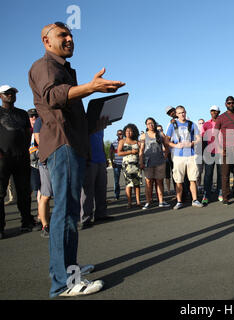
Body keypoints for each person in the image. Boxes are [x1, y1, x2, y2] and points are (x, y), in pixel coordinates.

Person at [28, 22, 125, 297]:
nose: (70, 39)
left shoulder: (64, 70)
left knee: (69, 211)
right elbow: (53, 96)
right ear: (46, 41)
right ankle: (63, 283)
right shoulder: (45, 65)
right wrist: (90, 87)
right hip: (62, 145)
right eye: (63, 35)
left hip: (73, 142)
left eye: (71, 35)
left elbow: (67, 111)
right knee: (66, 213)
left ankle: (69, 270)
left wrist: (94, 123)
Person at [0, 85, 37, 240]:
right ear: (1, 96)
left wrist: (24, 150)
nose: (10, 95)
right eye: (7, 93)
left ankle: (27, 222)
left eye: (13, 93)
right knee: (0, 193)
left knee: (24, 192)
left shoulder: (22, 114)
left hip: (21, 157)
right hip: (3, 158)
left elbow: (29, 132)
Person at [165, 106, 203, 209]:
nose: (182, 114)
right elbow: (166, 140)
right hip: (178, 156)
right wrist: (175, 145)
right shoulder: (172, 125)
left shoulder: (192, 124)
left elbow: (199, 138)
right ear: (176, 114)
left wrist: (192, 143)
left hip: (191, 155)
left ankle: (195, 200)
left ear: (185, 112)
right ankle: (179, 201)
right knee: (178, 180)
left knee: (193, 179)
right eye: (180, 113)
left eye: (183, 112)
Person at [79, 129, 113, 230]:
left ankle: (101, 214)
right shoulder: (86, 124)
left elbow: (101, 142)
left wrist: (105, 156)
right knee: (88, 191)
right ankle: (85, 218)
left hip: (101, 160)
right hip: (90, 161)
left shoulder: (100, 128)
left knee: (101, 188)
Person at [139, 117, 170, 209]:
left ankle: (161, 201)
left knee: (159, 182)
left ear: (155, 124)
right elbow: (141, 150)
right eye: (148, 124)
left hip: (160, 162)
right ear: (146, 125)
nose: (151, 125)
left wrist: (164, 157)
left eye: (152, 123)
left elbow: (166, 146)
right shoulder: (143, 136)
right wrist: (141, 162)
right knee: (148, 182)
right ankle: (148, 202)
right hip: (148, 162)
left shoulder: (160, 134)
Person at [33, 116, 52, 238]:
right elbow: (38, 138)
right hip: (46, 160)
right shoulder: (40, 120)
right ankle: (45, 226)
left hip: (58, 160)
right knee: (46, 195)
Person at [201, 105, 222, 204]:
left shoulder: (222, 122)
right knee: (208, 174)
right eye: (212, 111)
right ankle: (206, 194)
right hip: (209, 152)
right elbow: (202, 139)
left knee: (220, 174)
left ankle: (220, 192)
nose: (214, 112)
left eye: (215, 111)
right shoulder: (206, 124)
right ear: (210, 112)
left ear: (219, 112)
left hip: (220, 152)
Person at [118, 124, 142, 208]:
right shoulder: (122, 141)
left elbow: (141, 153)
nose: (128, 132)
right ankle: (129, 202)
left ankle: (138, 202)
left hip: (136, 164)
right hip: (127, 165)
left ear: (134, 132)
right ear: (125, 132)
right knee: (129, 184)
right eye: (127, 131)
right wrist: (131, 152)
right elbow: (119, 153)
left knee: (137, 184)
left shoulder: (137, 142)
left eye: (130, 131)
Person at [28, 108, 41, 206]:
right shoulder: (26, 131)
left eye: (36, 115)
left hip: (40, 163)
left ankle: (41, 215)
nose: (34, 117)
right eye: (31, 116)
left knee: (40, 190)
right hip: (29, 164)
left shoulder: (43, 129)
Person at [157, 124, 173, 195]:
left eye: (161, 130)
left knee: (170, 175)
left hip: (168, 158)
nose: (160, 131)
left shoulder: (166, 137)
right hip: (159, 159)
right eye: (158, 130)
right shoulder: (156, 139)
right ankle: (165, 191)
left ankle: (171, 190)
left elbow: (168, 147)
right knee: (162, 177)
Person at [109, 129, 124, 201]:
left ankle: (129, 195)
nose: (120, 135)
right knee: (116, 181)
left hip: (125, 163)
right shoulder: (113, 143)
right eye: (119, 134)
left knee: (128, 180)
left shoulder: (126, 141)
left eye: (121, 134)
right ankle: (117, 195)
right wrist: (112, 162)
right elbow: (111, 153)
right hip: (117, 163)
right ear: (117, 135)